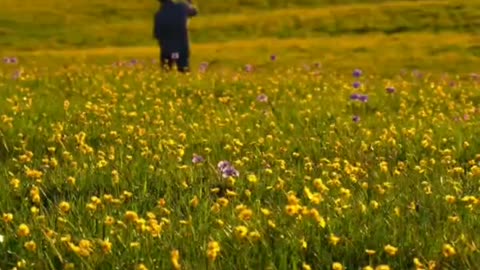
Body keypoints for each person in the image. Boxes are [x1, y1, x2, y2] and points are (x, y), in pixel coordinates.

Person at [153, 0, 198, 72]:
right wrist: (189, 2)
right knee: (184, 72)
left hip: (167, 52)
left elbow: (157, 35)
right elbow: (194, 12)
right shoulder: (182, 7)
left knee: (166, 73)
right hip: (181, 50)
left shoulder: (158, 15)